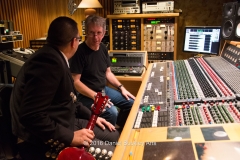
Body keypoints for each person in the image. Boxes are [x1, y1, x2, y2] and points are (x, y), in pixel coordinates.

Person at [10, 16, 119, 160]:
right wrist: (71, 136)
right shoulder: (48, 63)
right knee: (114, 154)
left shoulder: (56, 57)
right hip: (44, 138)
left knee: (115, 136)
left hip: (66, 120)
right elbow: (31, 116)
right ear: (74, 42)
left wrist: (93, 117)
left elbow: (71, 99)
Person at [70, 15, 135, 129]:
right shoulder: (79, 52)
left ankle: (118, 129)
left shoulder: (103, 48)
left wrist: (121, 87)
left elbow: (108, 73)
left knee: (132, 103)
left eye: (99, 33)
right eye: (92, 33)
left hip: (102, 90)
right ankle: (109, 139)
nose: (95, 37)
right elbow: (76, 82)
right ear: (86, 32)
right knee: (112, 112)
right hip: (86, 95)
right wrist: (95, 96)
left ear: (104, 32)